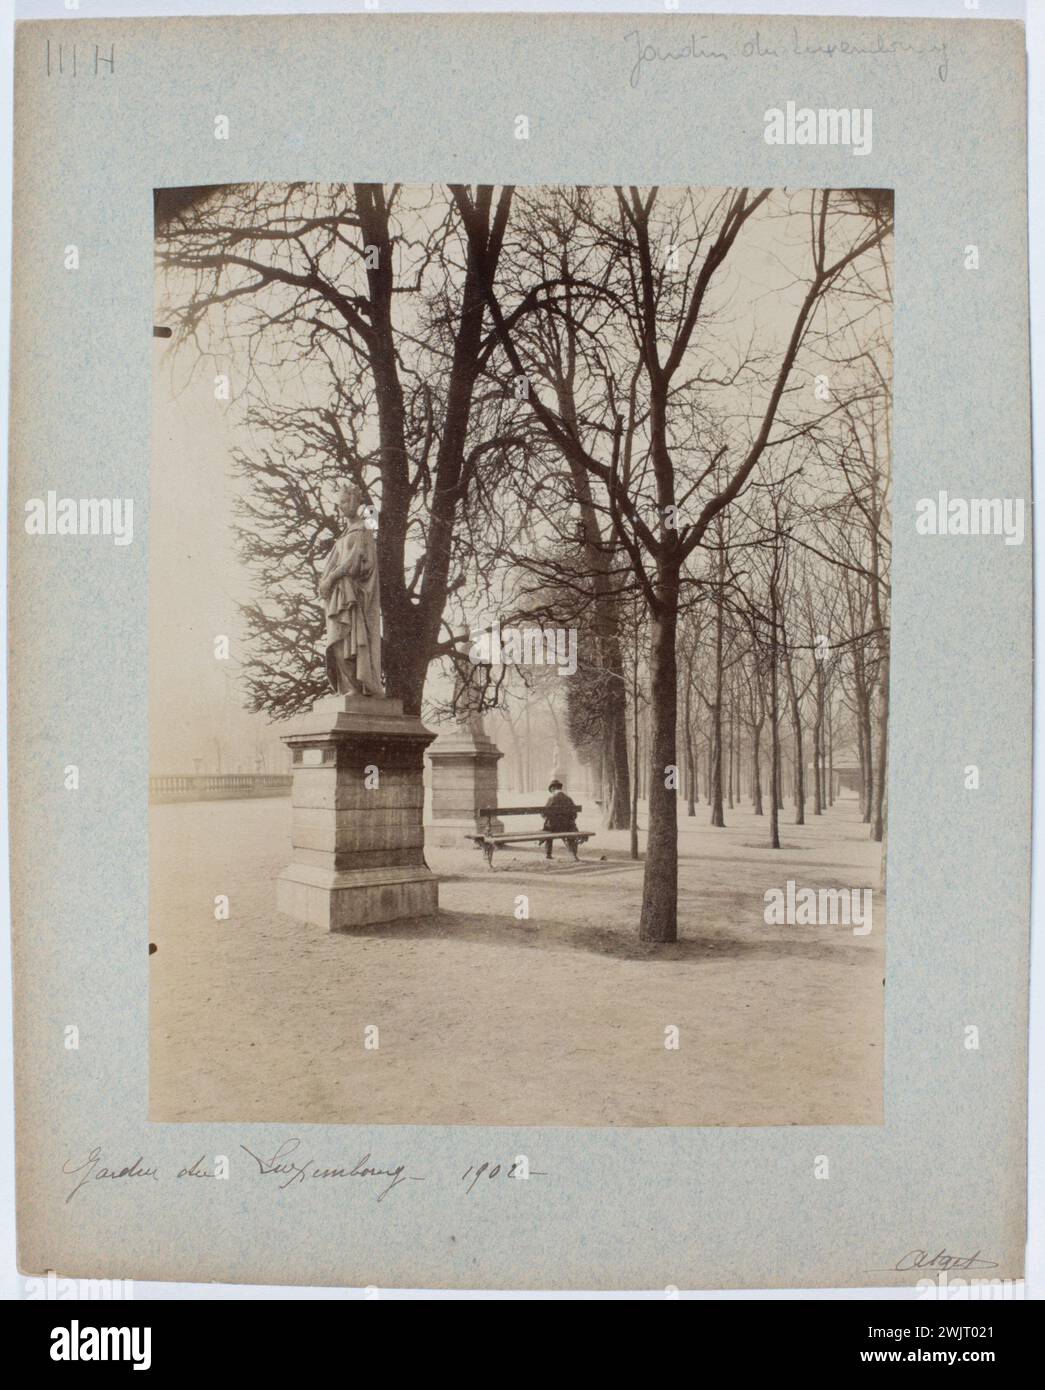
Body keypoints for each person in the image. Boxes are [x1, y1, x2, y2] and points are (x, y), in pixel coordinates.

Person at [318, 483, 383, 697]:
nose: (341, 507)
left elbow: (354, 564)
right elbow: (335, 563)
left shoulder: (363, 531)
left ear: (355, 503)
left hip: (353, 599)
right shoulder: (344, 535)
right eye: (339, 504)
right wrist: (326, 581)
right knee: (337, 643)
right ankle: (350, 686)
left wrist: (331, 578)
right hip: (340, 597)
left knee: (347, 642)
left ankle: (357, 686)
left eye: (345, 502)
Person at [541, 780, 578, 859]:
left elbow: (544, 813)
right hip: (568, 827)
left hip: (553, 828)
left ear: (553, 789)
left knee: (548, 829)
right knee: (571, 830)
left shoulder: (552, 798)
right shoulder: (569, 799)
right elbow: (574, 814)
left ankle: (548, 853)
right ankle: (573, 853)